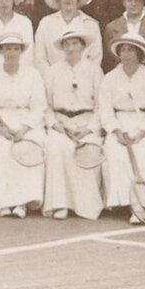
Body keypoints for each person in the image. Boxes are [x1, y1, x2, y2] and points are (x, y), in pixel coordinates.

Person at [97, 34, 145, 223]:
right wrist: (117, 131)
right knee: (115, 153)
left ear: (139, 54)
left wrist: (142, 132)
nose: (126, 54)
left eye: (131, 50)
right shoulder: (109, 78)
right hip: (118, 125)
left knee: (143, 153)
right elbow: (105, 111)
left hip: (143, 126)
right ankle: (129, 205)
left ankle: (142, 205)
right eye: (123, 50)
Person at [40, 24, 105, 220]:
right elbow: (46, 105)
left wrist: (89, 129)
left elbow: (101, 106)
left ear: (83, 46)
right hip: (61, 125)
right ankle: (60, 204)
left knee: (88, 150)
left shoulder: (95, 71)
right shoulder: (52, 71)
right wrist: (55, 125)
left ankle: (85, 206)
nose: (70, 48)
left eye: (75, 43)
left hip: (86, 125)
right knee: (56, 147)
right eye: (66, 44)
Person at [0, 34, 46, 217]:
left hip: (27, 123)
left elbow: (39, 108)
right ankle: (2, 203)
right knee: (3, 150)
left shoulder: (32, 74)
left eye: (15, 48)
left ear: (21, 51)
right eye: (7, 48)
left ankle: (22, 203)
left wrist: (24, 128)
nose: (11, 52)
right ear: (1, 51)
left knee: (27, 148)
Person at [35, 0, 102, 72]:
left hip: (84, 81)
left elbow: (95, 58)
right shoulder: (46, 23)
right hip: (52, 82)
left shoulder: (91, 24)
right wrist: (52, 79)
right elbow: (40, 58)